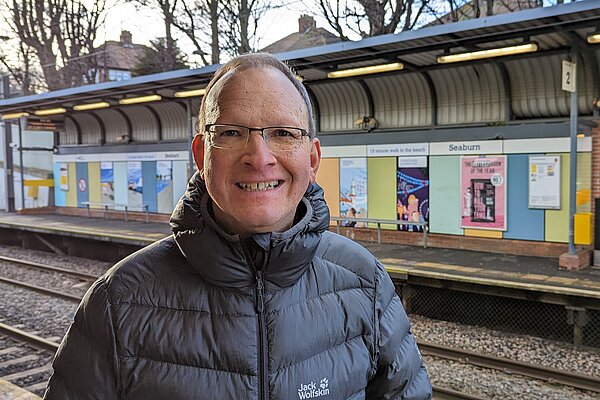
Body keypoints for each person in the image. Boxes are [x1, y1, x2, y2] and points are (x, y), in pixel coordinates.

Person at [43, 53, 431, 400]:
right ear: (201, 155)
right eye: (231, 132)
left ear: (312, 159)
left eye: (283, 133)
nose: (259, 157)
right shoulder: (117, 302)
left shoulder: (365, 282)